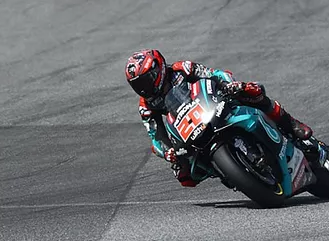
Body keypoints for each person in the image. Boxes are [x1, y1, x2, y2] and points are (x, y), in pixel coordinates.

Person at [124, 50, 312, 188]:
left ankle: (290, 122)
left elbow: (214, 74)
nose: (143, 87)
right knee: (185, 176)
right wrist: (168, 153)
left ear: (158, 69)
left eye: (146, 79)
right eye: (137, 84)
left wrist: (229, 85)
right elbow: (156, 138)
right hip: (189, 126)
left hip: (211, 102)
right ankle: (226, 171)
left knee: (251, 92)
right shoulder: (146, 106)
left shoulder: (182, 69)